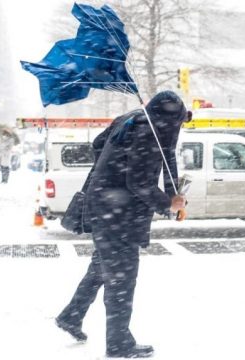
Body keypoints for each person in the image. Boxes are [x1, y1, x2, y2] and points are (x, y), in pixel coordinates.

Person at [55, 91, 188, 358]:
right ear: (171, 119)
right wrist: (168, 204)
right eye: (180, 123)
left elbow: (98, 143)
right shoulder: (148, 132)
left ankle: (72, 315)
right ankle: (118, 344)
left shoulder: (131, 120)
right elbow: (138, 183)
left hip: (105, 205)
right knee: (121, 279)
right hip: (119, 213)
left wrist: (114, 169)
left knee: (102, 269)